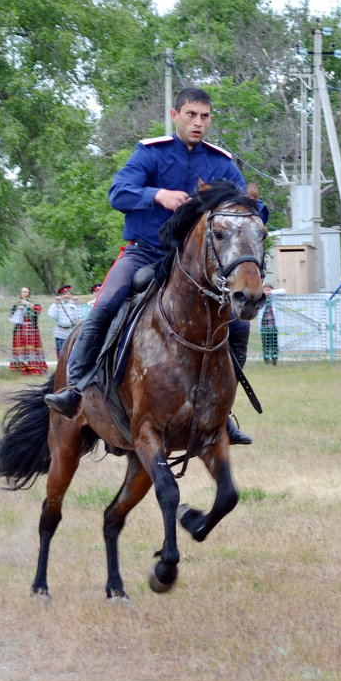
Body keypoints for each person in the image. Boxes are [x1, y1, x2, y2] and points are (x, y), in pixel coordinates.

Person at [44, 87, 269, 446]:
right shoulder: (150, 153)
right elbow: (117, 192)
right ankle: (75, 389)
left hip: (198, 265)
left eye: (205, 116)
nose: (198, 123)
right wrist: (156, 195)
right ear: (174, 114)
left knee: (237, 325)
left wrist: (248, 214)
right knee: (106, 305)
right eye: (191, 115)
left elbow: (250, 210)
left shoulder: (222, 163)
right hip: (145, 252)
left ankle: (221, 413)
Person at [9, 287, 47, 375]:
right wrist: (18, 310)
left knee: (31, 347)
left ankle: (33, 367)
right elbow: (12, 315)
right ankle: (21, 367)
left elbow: (38, 310)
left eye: (26, 292)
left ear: (29, 293)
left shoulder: (33, 303)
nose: (24, 293)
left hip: (31, 328)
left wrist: (28, 304)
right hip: (20, 328)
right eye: (23, 292)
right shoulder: (17, 304)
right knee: (21, 347)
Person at [47, 285, 80, 357]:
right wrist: (57, 304)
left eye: (68, 294)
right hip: (60, 332)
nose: (66, 296)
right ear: (61, 296)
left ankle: (70, 368)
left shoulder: (74, 304)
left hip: (72, 331)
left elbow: (79, 316)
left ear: (71, 295)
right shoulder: (55, 305)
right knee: (61, 353)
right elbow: (52, 315)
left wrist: (77, 304)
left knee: (72, 352)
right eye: (64, 294)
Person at [260, 284, 279, 365]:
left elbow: (283, 291)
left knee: (274, 344)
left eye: (269, 290)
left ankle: (274, 359)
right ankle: (266, 360)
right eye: (265, 290)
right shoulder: (261, 300)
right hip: (264, 327)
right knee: (265, 344)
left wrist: (271, 292)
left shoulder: (275, 299)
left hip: (273, 326)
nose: (267, 292)